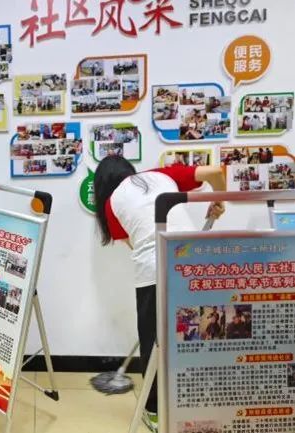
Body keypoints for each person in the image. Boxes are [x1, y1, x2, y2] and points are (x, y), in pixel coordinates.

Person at [93, 156, 225, 433]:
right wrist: (219, 200)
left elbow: (137, 245)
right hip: (196, 266)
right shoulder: (162, 175)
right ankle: (196, 402)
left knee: (152, 342)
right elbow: (215, 171)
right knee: (199, 333)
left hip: (154, 272)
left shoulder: (111, 203)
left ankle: (153, 410)